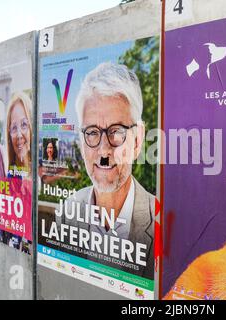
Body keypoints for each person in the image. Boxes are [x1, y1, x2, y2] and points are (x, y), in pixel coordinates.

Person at [63, 62, 155, 279]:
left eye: (116, 131)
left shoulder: (163, 222)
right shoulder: (69, 210)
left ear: (137, 140)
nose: (104, 149)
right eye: (93, 132)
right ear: (80, 140)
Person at [6, 92, 33, 176]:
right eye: (14, 128)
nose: (19, 135)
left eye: (24, 124)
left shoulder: (43, 172)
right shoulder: (10, 177)